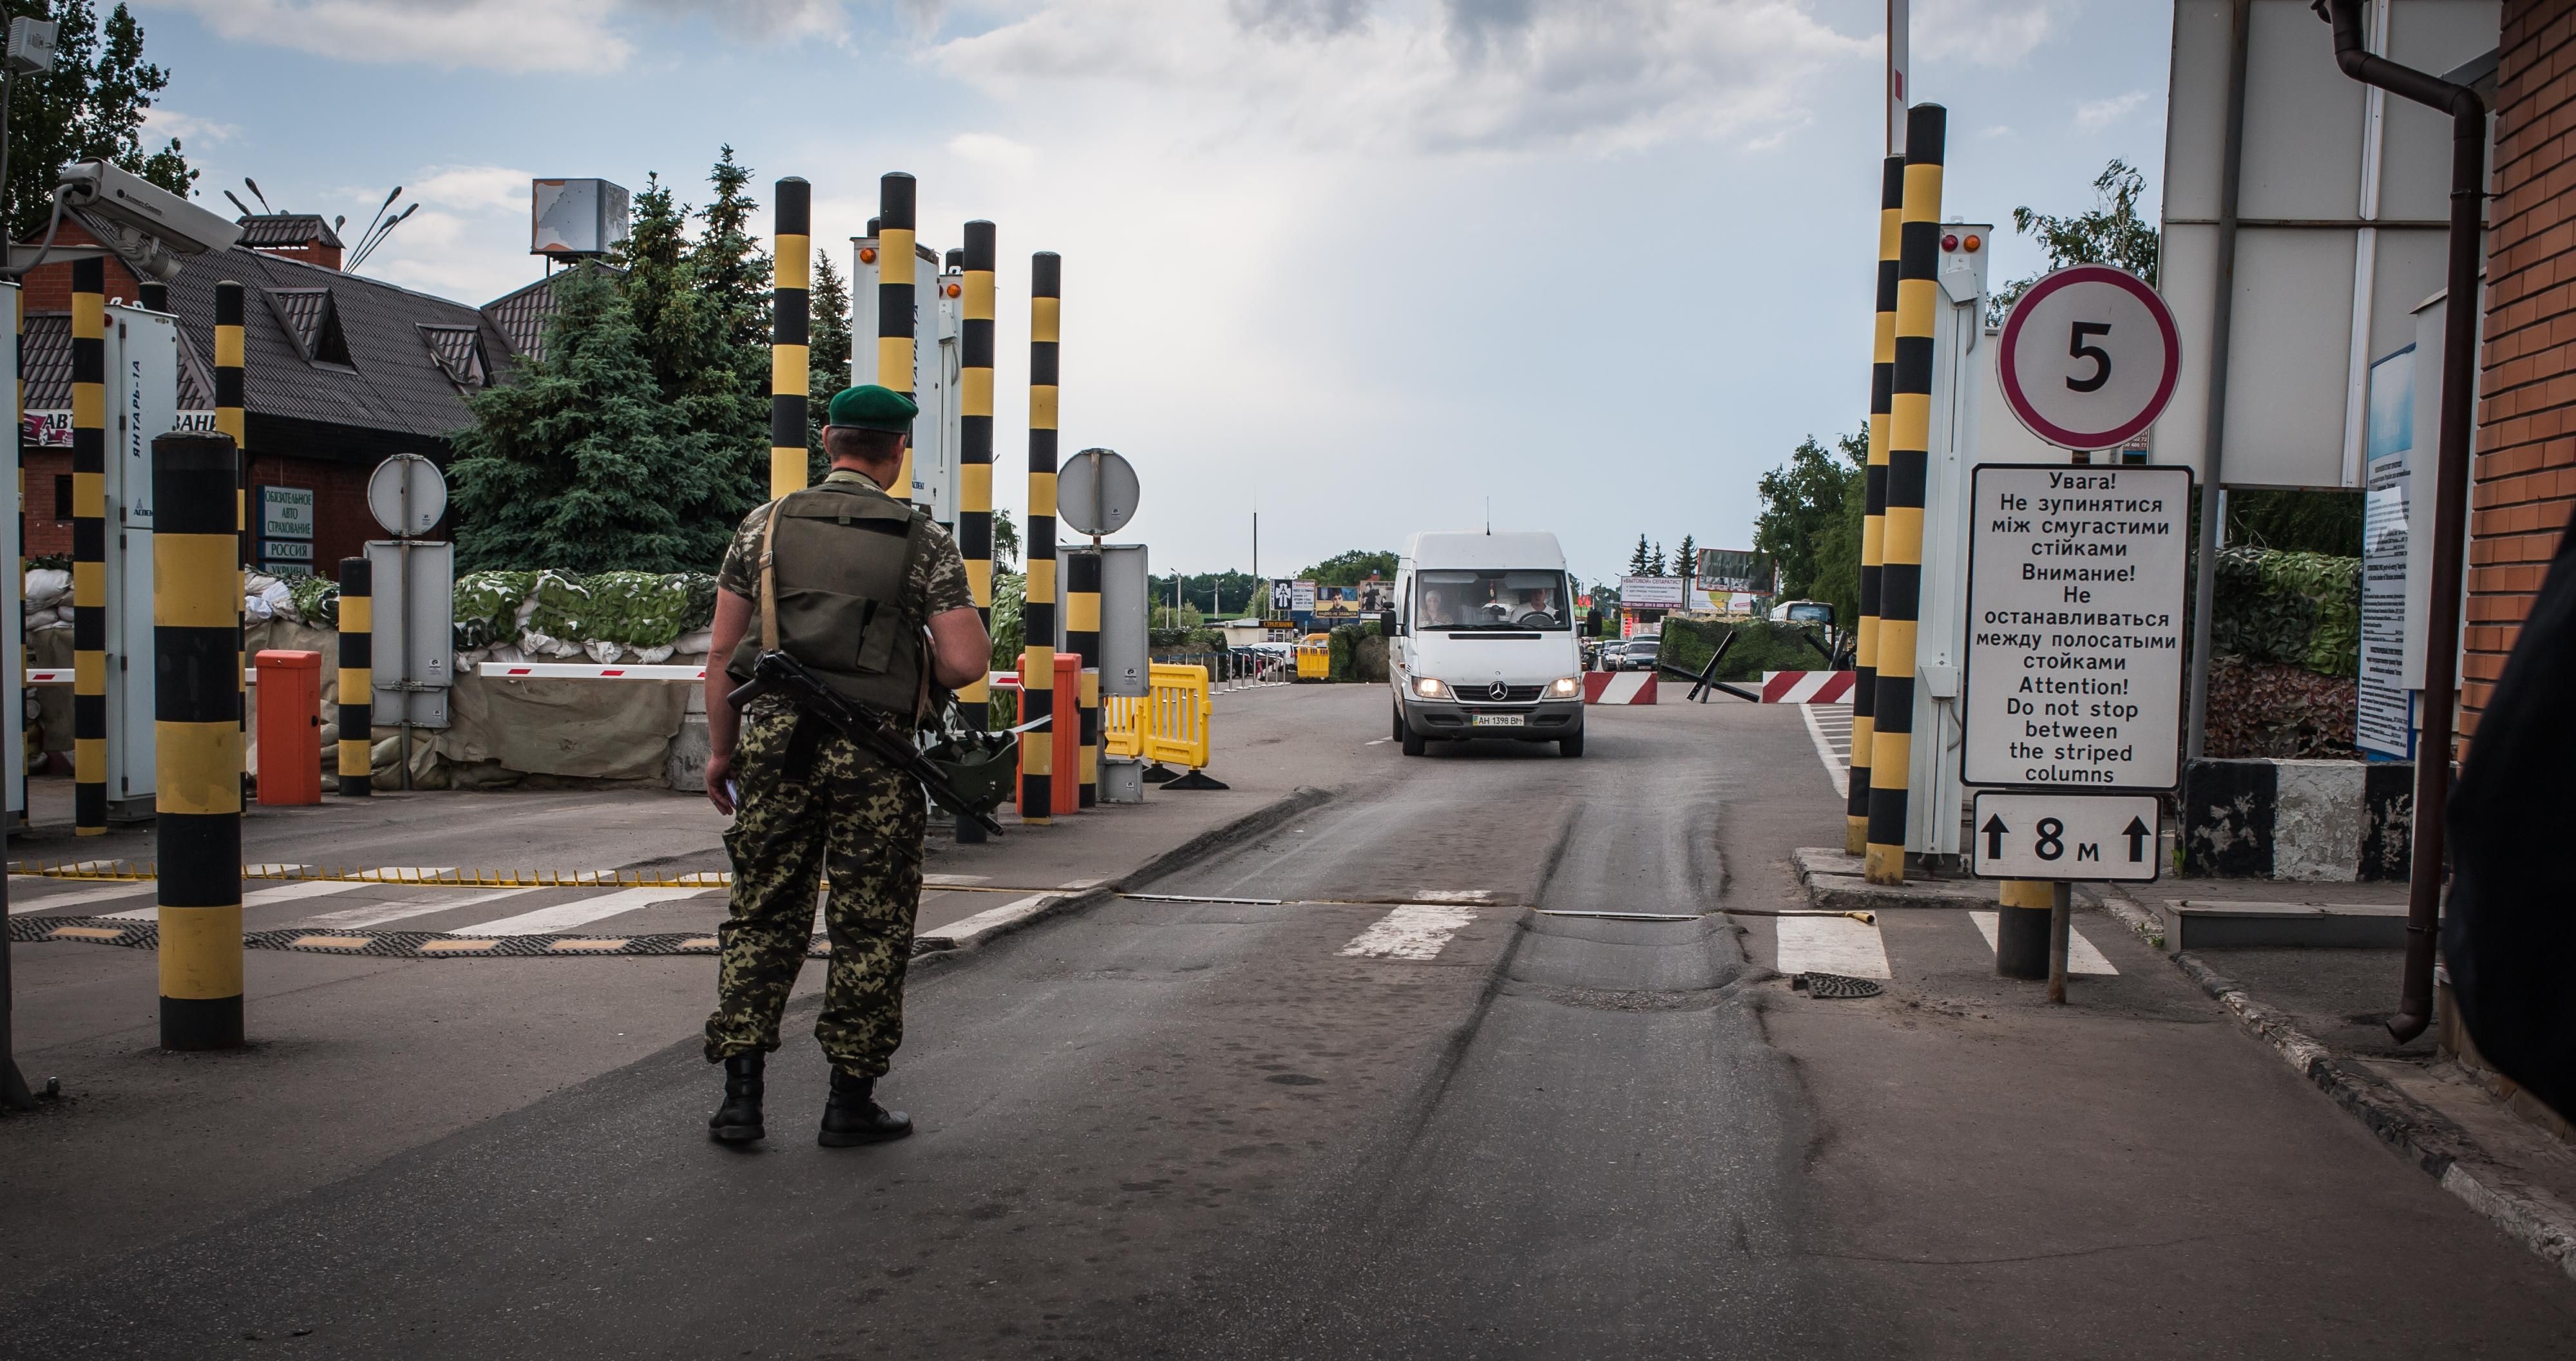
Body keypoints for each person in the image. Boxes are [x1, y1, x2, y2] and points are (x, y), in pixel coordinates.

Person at [699, 385, 991, 1147]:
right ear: (897, 453)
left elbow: (723, 656)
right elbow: (964, 661)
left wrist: (723, 751)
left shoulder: (763, 527)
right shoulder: (919, 540)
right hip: (874, 756)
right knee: (872, 923)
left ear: (828, 441)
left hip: (773, 747)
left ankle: (740, 1101)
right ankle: (848, 1102)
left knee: (763, 913)